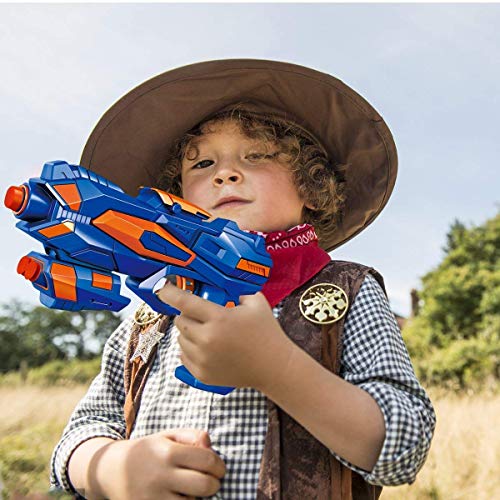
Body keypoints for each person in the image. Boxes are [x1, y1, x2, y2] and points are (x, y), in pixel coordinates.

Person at [50, 59, 436, 499]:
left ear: (312, 188)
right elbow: (86, 426)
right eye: (202, 164)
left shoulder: (348, 291)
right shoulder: (153, 310)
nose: (224, 173)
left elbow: (405, 447)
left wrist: (276, 367)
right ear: (175, 198)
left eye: (257, 156)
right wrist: (112, 468)